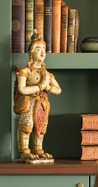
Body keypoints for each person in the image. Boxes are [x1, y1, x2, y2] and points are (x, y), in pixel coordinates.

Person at [13, 31, 62, 163]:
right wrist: (40, 86)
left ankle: (38, 149)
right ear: (31, 53)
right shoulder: (25, 72)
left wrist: (48, 88)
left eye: (44, 49)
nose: (42, 52)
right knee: (27, 124)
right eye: (38, 49)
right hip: (28, 102)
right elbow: (22, 89)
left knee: (41, 126)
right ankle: (24, 151)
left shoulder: (46, 73)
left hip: (42, 103)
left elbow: (58, 89)